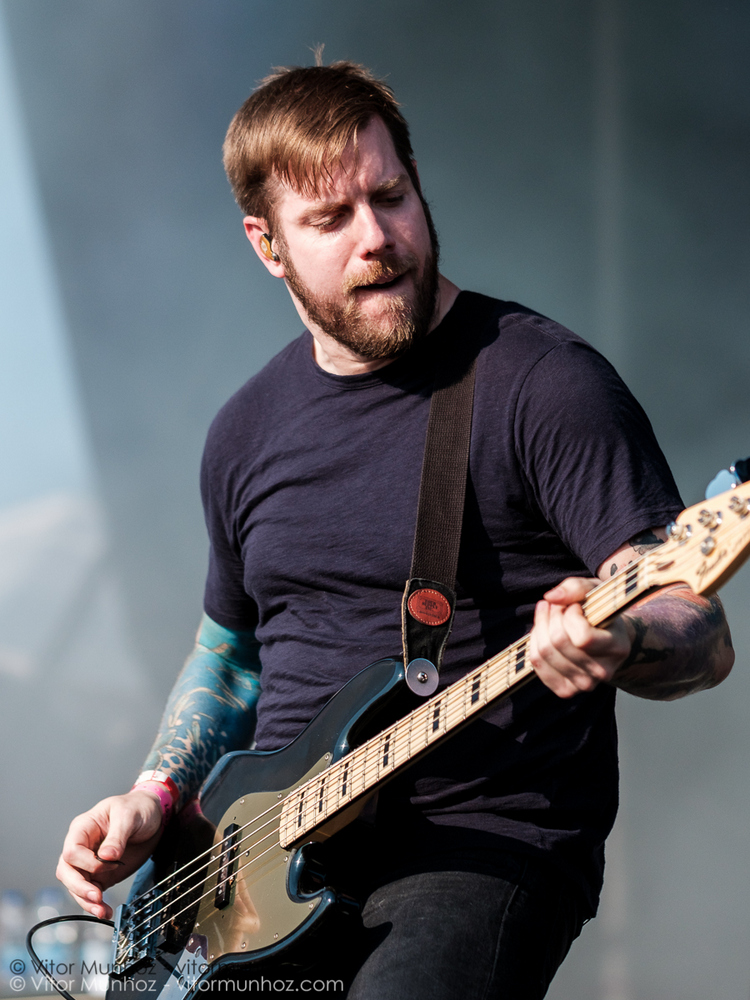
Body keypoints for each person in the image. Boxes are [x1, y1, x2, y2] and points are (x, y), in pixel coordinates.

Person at [57, 61, 734, 998]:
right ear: (266, 245)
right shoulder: (244, 434)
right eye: (330, 220)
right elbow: (231, 654)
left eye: (392, 196)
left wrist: (622, 637)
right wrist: (157, 795)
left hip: (479, 846)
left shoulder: (542, 383)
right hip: (255, 884)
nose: (376, 238)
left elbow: (696, 626)